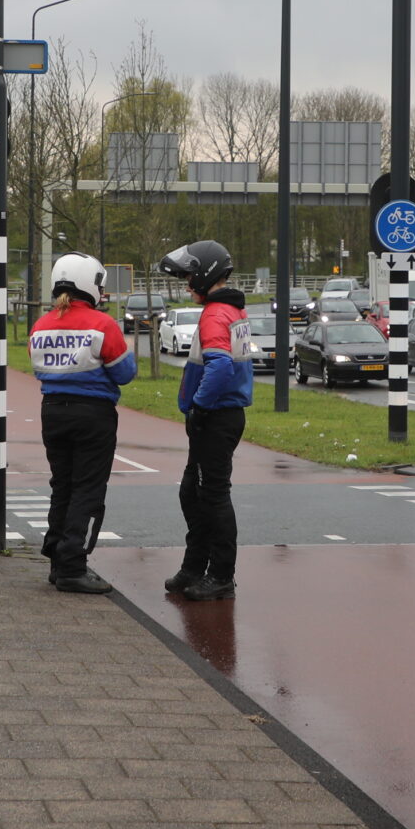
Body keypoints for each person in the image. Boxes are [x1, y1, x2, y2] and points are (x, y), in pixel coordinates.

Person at [27, 253, 136, 593]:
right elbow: (125, 374)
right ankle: (73, 566)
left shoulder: (40, 324)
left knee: (62, 486)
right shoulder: (102, 324)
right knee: (87, 489)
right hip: (93, 415)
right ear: (88, 284)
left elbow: (38, 368)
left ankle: (57, 561)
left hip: (52, 411)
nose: (102, 292)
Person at [158, 239, 250, 600]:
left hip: (216, 416)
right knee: (192, 493)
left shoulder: (215, 313)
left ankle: (220, 574)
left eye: (189, 277)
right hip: (223, 414)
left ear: (205, 273)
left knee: (211, 496)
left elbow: (221, 364)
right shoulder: (230, 309)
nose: (186, 284)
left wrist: (199, 405)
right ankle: (194, 566)